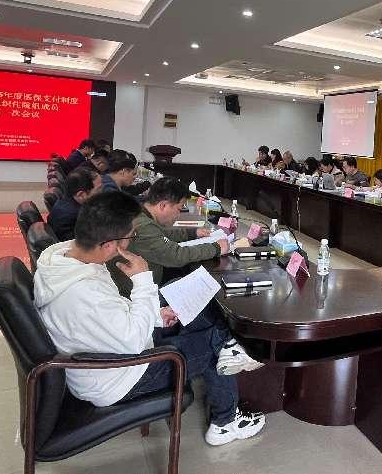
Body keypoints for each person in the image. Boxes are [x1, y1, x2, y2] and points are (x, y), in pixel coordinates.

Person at [33, 190, 266, 446]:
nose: (132, 242)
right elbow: (132, 342)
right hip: (117, 377)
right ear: (109, 244)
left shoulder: (64, 257)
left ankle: (229, 348)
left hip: (108, 353)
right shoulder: (84, 294)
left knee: (195, 311)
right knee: (216, 349)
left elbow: (112, 311)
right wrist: (142, 279)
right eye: (130, 236)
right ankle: (225, 422)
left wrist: (156, 315)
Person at [114, 177, 232, 296]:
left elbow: (161, 234)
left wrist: (193, 233)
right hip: (137, 295)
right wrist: (216, 248)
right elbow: (175, 256)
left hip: (148, 280)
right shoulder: (144, 225)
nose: (179, 215)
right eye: (179, 209)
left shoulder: (141, 211)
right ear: (163, 205)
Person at [47, 166, 103, 241]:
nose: (103, 191)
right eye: (99, 189)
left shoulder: (66, 200)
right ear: (81, 195)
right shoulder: (75, 216)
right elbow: (88, 243)